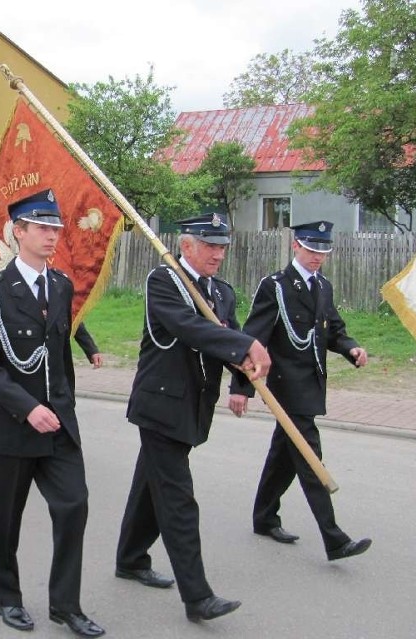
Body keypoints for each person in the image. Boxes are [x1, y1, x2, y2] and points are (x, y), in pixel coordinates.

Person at [115, 211, 271, 623]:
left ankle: (130, 558)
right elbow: (189, 328)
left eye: (222, 246)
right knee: (178, 500)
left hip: (194, 408)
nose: (218, 254)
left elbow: (231, 344)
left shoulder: (221, 292)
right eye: (210, 245)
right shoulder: (163, 282)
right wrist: (244, 344)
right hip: (160, 407)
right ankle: (197, 596)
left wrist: (243, 383)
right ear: (187, 246)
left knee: (151, 485)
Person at [0, 189, 105, 637]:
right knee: (5, 520)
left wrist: (63, 403)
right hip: (12, 426)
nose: (51, 236)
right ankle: (7, 598)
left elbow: (58, 353)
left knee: (73, 506)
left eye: (55, 229)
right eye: (42, 228)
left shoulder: (61, 285)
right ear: (18, 231)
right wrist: (29, 409)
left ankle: (65, 604)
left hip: (58, 424)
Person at [229, 220, 372, 561]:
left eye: (323, 252)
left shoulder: (323, 287)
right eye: (311, 250)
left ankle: (264, 517)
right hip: (285, 387)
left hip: (312, 384)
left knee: (285, 455)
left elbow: (334, 330)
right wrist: (241, 389)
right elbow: (254, 338)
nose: (317, 258)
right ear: (296, 246)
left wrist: (351, 349)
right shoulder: (275, 286)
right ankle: (335, 539)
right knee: (310, 458)